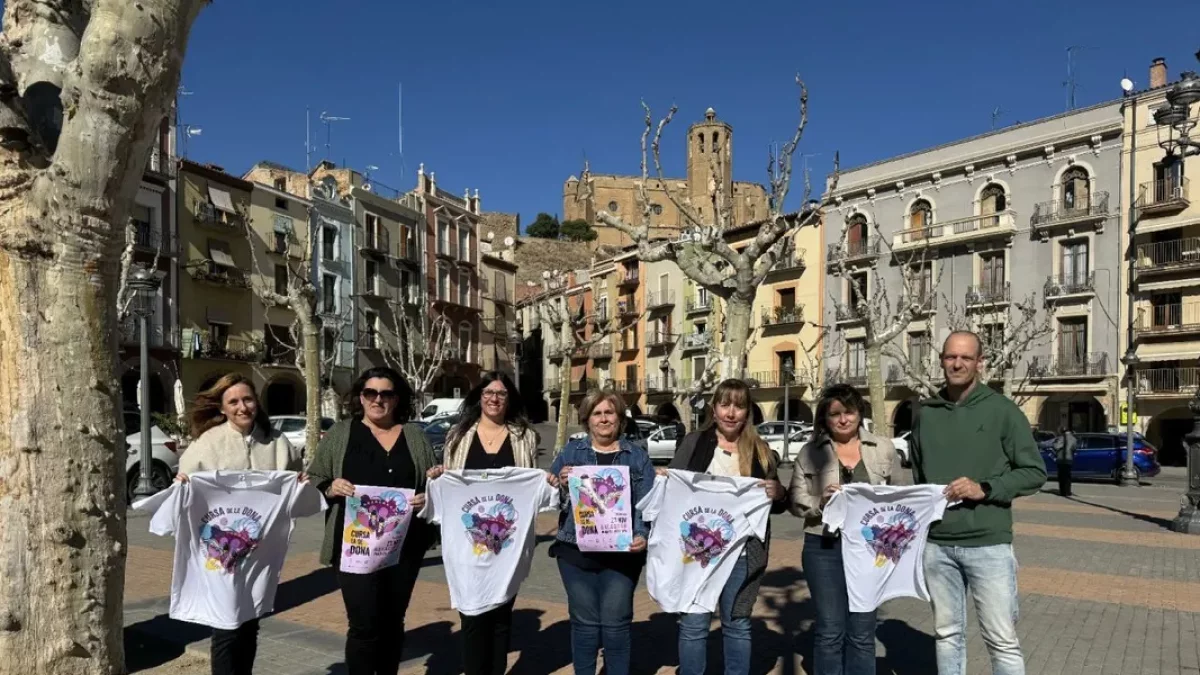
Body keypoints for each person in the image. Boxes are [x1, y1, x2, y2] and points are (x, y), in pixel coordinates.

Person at [910, 331, 1046, 675]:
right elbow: (919, 477)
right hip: (937, 546)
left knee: (1001, 639)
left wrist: (984, 488)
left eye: (965, 358)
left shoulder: (1003, 411)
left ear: (979, 363)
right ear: (941, 360)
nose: (957, 364)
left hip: (989, 544)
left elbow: (1033, 472)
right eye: (950, 357)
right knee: (946, 634)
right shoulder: (925, 414)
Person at [307, 367, 438, 675]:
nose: (378, 400)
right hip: (355, 548)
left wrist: (428, 494)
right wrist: (330, 486)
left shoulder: (414, 435)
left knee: (393, 621)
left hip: (404, 545)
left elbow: (432, 484)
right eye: (371, 393)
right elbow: (316, 476)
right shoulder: (341, 433)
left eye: (386, 394)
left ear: (397, 399)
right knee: (364, 623)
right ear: (360, 397)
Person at [175, 373, 304, 675]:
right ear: (222, 408)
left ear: (256, 401)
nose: (242, 407)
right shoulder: (207, 443)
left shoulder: (277, 441)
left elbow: (294, 480)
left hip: (259, 549)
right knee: (225, 625)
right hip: (220, 551)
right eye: (233, 401)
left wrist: (300, 483)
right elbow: (186, 483)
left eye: (247, 399)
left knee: (249, 621)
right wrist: (182, 483)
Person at [426, 371, 550, 675]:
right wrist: (439, 476)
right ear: (479, 397)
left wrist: (545, 482)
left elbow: (529, 486)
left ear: (509, 400)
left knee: (500, 619)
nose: (495, 399)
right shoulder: (458, 435)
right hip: (468, 546)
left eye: (502, 394)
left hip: (507, 545)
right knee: (472, 617)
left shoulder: (525, 436)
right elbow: (451, 481)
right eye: (489, 393)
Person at [667, 378, 786, 675]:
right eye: (725, 404)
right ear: (714, 408)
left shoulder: (761, 449)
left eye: (739, 406)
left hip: (743, 553)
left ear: (748, 412)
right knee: (694, 624)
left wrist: (779, 492)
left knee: (737, 623)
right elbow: (673, 490)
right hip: (698, 553)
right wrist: (664, 478)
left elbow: (781, 501)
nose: (731, 413)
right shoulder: (694, 442)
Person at [789, 383, 904, 675]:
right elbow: (795, 499)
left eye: (849, 412)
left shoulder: (883, 448)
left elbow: (900, 497)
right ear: (825, 418)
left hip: (870, 551)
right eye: (834, 414)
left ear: (859, 412)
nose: (843, 419)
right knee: (830, 629)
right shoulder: (809, 451)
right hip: (823, 547)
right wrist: (820, 501)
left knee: (863, 631)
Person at [550, 391, 654, 675]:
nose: (604, 418)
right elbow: (551, 499)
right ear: (587, 420)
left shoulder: (637, 456)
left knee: (616, 624)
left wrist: (642, 534)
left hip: (622, 552)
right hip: (575, 551)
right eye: (597, 413)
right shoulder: (571, 452)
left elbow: (649, 505)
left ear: (619, 419)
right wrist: (560, 484)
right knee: (584, 625)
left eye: (610, 413)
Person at [1054, 426, 1076, 497]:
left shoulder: (1061, 438)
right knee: (1068, 476)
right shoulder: (1073, 438)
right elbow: (1074, 448)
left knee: (1061, 476)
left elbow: (1056, 446)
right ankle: (1068, 491)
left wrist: (1055, 443)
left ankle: (1063, 492)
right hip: (1069, 459)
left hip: (1061, 459)